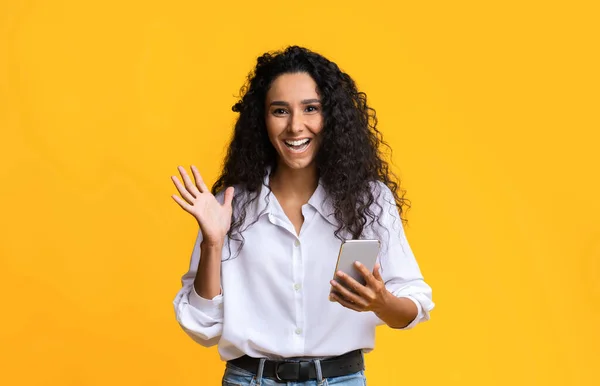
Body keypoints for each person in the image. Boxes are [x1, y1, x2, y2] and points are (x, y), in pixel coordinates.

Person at [171, 45, 434, 385]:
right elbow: (202, 327)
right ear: (261, 120)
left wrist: (380, 301)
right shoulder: (229, 206)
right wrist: (212, 243)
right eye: (280, 111)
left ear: (332, 117)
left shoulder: (371, 200)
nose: (296, 126)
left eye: (311, 108)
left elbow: (414, 307)